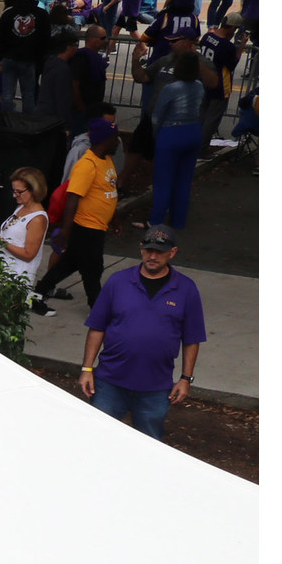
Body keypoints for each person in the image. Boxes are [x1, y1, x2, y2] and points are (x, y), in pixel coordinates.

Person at [79, 227, 205, 442]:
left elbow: (192, 338)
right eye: (148, 250)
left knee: (149, 445)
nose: (153, 256)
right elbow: (97, 327)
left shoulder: (186, 289)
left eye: (160, 252)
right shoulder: (118, 282)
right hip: (109, 382)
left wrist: (186, 378)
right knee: (97, 439)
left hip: (155, 387)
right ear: (141, 249)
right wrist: (87, 368)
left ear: (172, 252)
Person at [36, 118, 121, 311]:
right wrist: (66, 230)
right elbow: (72, 198)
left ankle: (39, 292)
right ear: (104, 141)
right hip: (86, 227)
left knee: (69, 263)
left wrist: (114, 218)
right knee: (93, 268)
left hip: (98, 227)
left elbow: (108, 192)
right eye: (115, 139)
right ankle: (97, 309)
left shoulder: (107, 160)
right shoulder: (87, 165)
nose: (118, 143)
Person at [149, 51, 208, 231]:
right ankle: (178, 220)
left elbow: (157, 116)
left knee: (163, 180)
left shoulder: (171, 88)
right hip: (193, 131)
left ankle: (156, 221)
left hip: (171, 132)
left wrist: (155, 135)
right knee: (184, 180)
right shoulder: (199, 86)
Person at [0, 168, 54, 294]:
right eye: (14, 191)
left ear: (34, 190)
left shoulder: (38, 219)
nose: (14, 195)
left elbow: (29, 255)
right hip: (3, 270)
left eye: (19, 192)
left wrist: (1, 242)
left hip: (17, 277)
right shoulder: (20, 207)